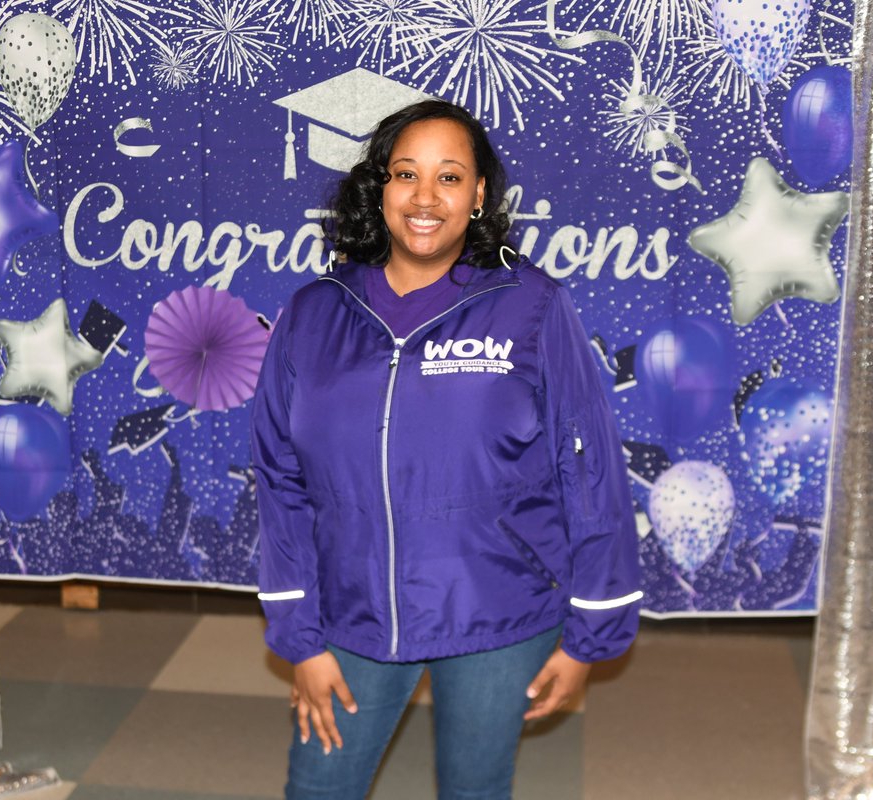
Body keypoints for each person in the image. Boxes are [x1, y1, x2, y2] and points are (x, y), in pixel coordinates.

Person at [251, 99, 642, 800]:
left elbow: (588, 469)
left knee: (474, 790)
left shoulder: (531, 304)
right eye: (406, 173)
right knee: (318, 788)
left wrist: (592, 629)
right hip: (352, 611)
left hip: (497, 609)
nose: (425, 197)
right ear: (380, 186)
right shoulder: (314, 312)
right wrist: (299, 636)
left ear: (479, 193)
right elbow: (280, 479)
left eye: (450, 177)